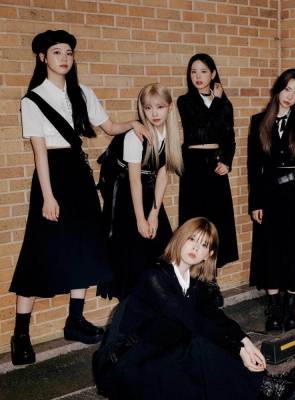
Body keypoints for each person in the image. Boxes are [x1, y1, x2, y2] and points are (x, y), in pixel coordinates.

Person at [9, 29, 150, 366]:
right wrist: (47, 196)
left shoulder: (82, 92)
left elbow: (109, 126)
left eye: (69, 53)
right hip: (53, 177)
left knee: (86, 246)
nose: (64, 58)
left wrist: (134, 123)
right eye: (57, 52)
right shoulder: (32, 100)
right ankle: (21, 335)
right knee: (38, 254)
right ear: (43, 57)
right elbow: (39, 153)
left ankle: (75, 321)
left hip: (79, 176)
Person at [92, 217, 295, 400]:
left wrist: (245, 341)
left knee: (206, 355)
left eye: (204, 245)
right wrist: (237, 349)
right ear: (180, 238)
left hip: (160, 356)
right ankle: (266, 387)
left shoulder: (193, 284)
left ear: (208, 255)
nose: (195, 248)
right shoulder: (154, 277)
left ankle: (264, 385)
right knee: (199, 343)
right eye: (192, 239)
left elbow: (217, 318)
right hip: (127, 365)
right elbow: (190, 320)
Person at [247, 69, 295, 332]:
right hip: (268, 196)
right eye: (287, 89)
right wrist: (255, 203)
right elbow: (253, 166)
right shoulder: (258, 121)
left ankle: (290, 307)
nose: (290, 97)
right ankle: (274, 308)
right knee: (270, 251)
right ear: (278, 88)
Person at [98, 83, 183, 300]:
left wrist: (154, 214)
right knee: (133, 259)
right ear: (142, 109)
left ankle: (157, 309)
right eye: (148, 108)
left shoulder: (169, 134)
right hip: (127, 197)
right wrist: (140, 220)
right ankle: (132, 314)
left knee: (163, 253)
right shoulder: (135, 137)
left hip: (149, 192)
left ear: (169, 107)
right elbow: (134, 181)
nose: (154, 113)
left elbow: (162, 175)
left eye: (160, 107)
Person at [178, 53, 238, 268]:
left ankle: (212, 278)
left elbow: (229, 137)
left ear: (213, 74)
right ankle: (193, 276)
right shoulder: (185, 101)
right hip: (193, 165)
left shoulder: (224, 103)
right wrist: (217, 102)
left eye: (203, 71)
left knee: (217, 222)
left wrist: (227, 162)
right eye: (193, 72)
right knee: (195, 223)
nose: (198, 76)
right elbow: (202, 126)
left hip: (215, 165)